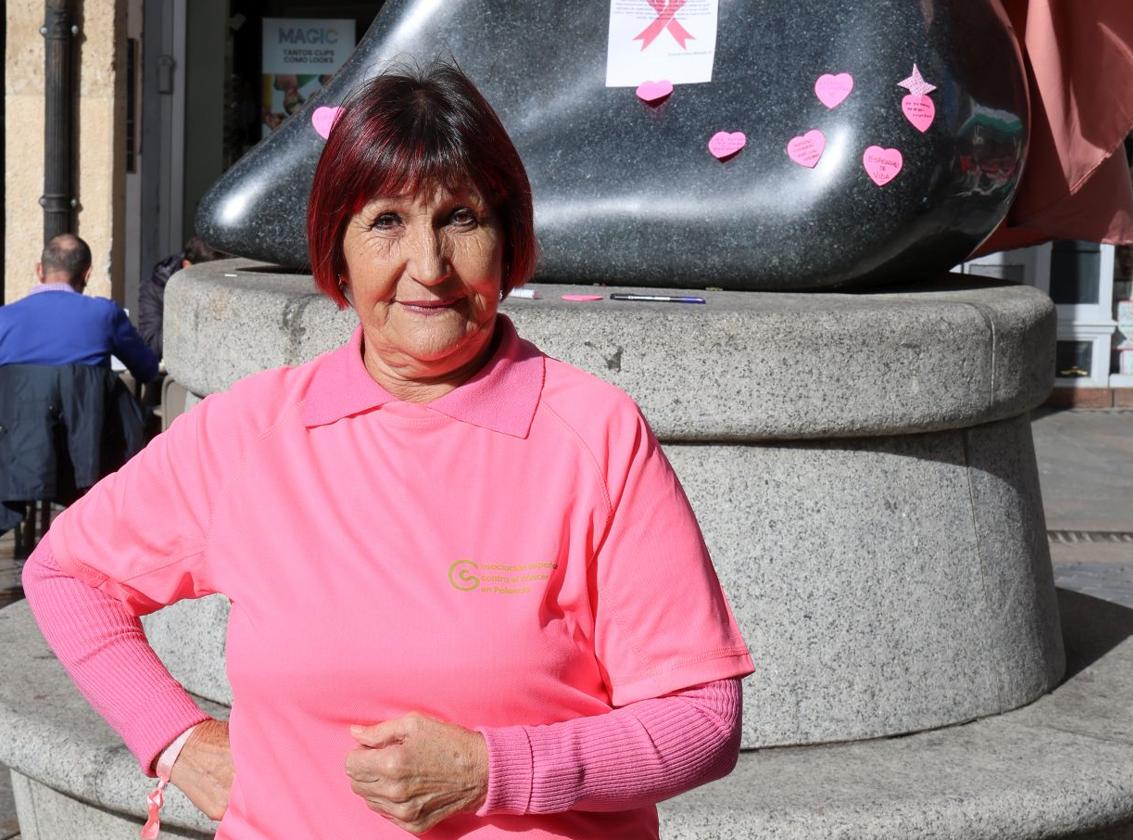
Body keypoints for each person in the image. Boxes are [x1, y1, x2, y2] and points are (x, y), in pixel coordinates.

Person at [22, 62, 754, 839]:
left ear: (509, 242)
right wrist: (179, 742)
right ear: (335, 254)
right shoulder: (255, 432)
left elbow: (702, 720)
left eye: (461, 218)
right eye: (385, 222)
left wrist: (495, 769)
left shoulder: (596, 436)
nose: (430, 267)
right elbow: (69, 573)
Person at [0, 233, 158, 384]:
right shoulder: (105, 314)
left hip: (16, 412)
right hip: (89, 412)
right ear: (87, 274)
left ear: (39, 270)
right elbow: (148, 370)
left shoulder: (3, 319)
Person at [139, 235, 225, 359]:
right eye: (208, 276)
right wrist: (185, 307)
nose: (214, 284)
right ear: (187, 266)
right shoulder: (157, 287)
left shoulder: (228, 285)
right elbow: (151, 348)